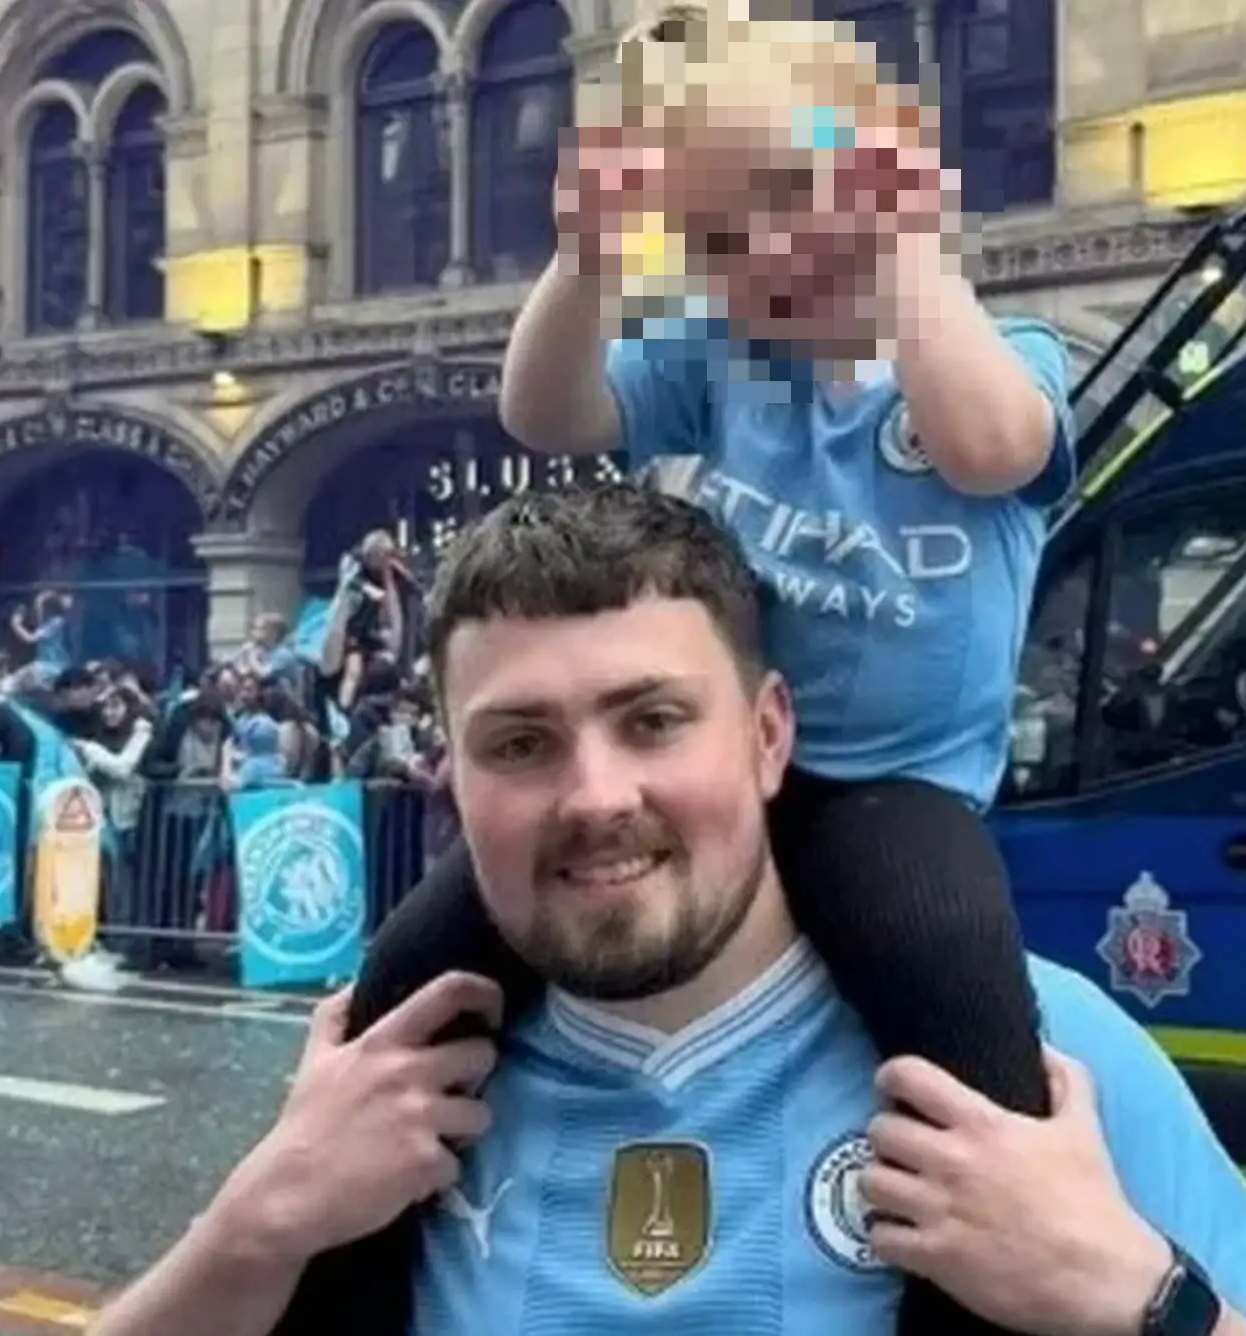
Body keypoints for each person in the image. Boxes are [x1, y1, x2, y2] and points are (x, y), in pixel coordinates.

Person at [91, 486, 1246, 1336]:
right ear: (450, 778)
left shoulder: (1036, 1051)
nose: (594, 795)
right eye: (520, 742)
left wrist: (1137, 1293)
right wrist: (255, 1223)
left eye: (652, 720)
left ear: (768, 734)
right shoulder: (385, 1086)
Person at [331, 7, 1074, 1332]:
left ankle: (985, 1298)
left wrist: (900, 247)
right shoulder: (714, 364)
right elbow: (542, 413)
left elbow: (992, 449)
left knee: (957, 992)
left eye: (794, 203)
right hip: (710, 763)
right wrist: (586, 257)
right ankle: (342, 1271)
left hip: (891, 792)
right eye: (723, 239)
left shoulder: (992, 360)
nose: (767, 258)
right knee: (414, 963)